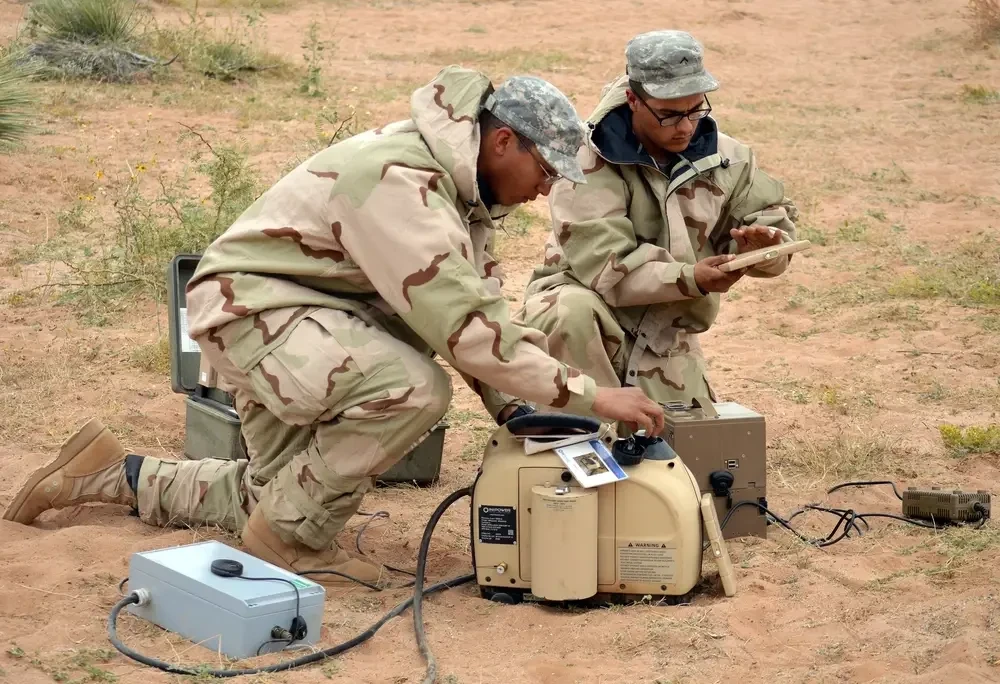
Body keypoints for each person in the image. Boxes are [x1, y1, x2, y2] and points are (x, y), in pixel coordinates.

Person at [3, 66, 666, 590]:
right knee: (413, 391)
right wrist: (593, 396)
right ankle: (292, 546)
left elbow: (481, 312)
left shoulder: (460, 193)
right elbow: (466, 331)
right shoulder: (403, 182)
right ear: (502, 142)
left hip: (297, 321)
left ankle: (110, 473)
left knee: (274, 496)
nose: (545, 191)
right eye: (545, 171)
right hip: (254, 318)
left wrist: (522, 410)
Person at [519, 30, 799, 408]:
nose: (685, 127)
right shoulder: (585, 160)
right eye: (668, 115)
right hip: (587, 319)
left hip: (664, 334)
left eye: (695, 110)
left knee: (683, 441)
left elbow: (775, 231)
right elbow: (608, 270)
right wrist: (692, 277)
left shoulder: (729, 159)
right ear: (633, 100)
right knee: (572, 322)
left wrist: (764, 250)